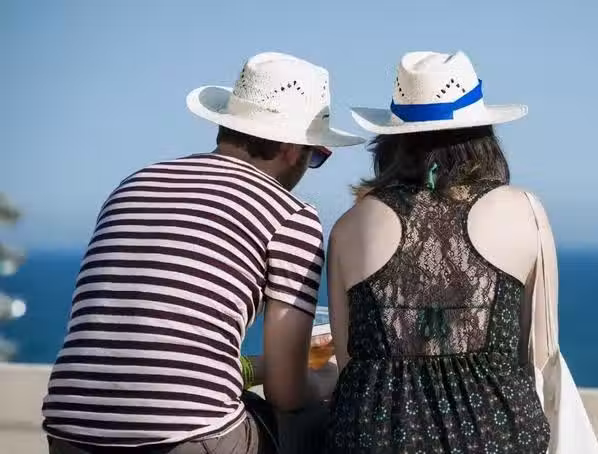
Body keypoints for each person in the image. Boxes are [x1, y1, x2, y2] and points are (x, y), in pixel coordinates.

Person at [42, 52, 363, 454]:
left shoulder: (134, 184)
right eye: (316, 156)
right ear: (290, 148)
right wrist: (328, 378)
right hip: (186, 435)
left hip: (69, 428)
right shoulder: (289, 214)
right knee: (319, 423)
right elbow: (286, 393)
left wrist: (256, 367)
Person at [326, 51, 553, 453]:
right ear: (483, 135)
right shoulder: (525, 211)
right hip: (496, 435)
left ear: (392, 140)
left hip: (377, 439)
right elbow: (542, 355)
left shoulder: (350, 226)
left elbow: (348, 365)